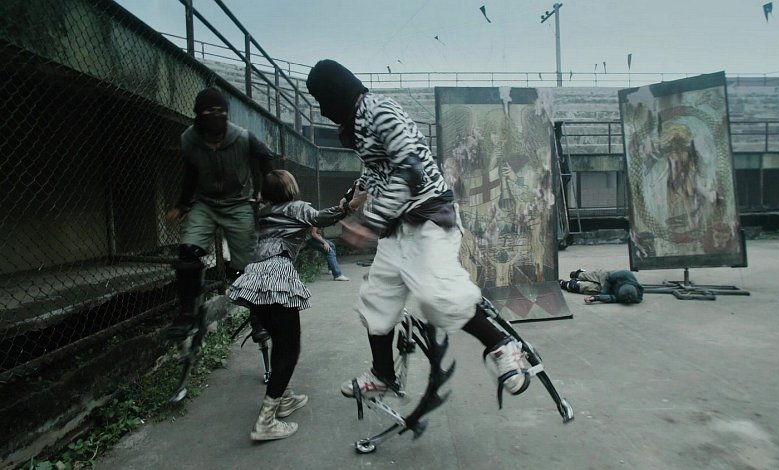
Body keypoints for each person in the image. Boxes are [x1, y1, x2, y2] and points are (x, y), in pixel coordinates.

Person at [305, 59, 531, 401]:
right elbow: (379, 168)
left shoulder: (380, 111)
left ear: (336, 93)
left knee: (436, 295)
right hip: (397, 225)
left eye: (322, 100)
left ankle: (503, 346)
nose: (323, 110)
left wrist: (371, 222)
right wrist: (355, 193)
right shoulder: (358, 120)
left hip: (428, 217)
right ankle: (383, 374)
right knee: (376, 299)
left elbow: (411, 170)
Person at [227, 169, 348, 440]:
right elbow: (321, 218)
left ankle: (284, 398)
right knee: (289, 348)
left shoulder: (264, 213)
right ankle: (266, 422)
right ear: (289, 188)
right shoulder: (297, 208)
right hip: (276, 274)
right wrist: (348, 207)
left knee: (281, 343)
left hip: (254, 276)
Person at [165, 87, 277, 343]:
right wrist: (183, 204)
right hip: (205, 203)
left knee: (246, 264)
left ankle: (258, 317)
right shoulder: (188, 140)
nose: (216, 117)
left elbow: (266, 158)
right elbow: (190, 173)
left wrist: (264, 189)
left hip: (237, 202)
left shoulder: (242, 137)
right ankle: (188, 313)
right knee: (188, 253)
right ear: (198, 116)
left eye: (221, 112)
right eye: (210, 112)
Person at [559, 269, 644, 304]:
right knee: (593, 275)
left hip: (610, 290)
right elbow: (608, 279)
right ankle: (579, 274)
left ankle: (567, 284)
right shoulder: (626, 274)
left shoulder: (632, 297)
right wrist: (603, 293)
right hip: (608, 277)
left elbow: (612, 298)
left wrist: (596, 298)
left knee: (584, 287)